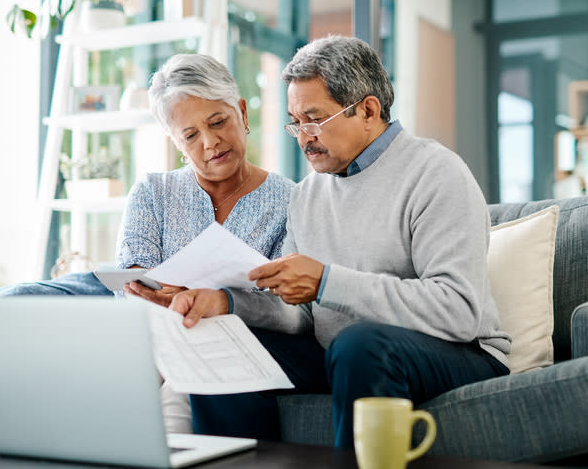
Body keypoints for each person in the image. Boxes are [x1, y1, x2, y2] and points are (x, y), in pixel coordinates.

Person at [165, 36, 511, 448]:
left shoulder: (435, 173)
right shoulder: (309, 194)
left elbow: (459, 310)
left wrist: (327, 282)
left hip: (459, 352)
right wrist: (228, 303)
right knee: (221, 339)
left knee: (359, 343)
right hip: (345, 355)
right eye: (295, 121)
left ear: (368, 110)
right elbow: (305, 316)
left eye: (314, 119)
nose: (303, 136)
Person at [0, 53, 296, 433]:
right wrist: (161, 296)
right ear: (176, 142)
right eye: (191, 135)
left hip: (229, 338)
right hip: (152, 334)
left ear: (242, 113)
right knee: (19, 308)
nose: (211, 142)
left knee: (175, 390)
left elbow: (285, 304)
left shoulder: (290, 200)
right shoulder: (152, 191)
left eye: (218, 122)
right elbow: (130, 287)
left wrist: (208, 299)